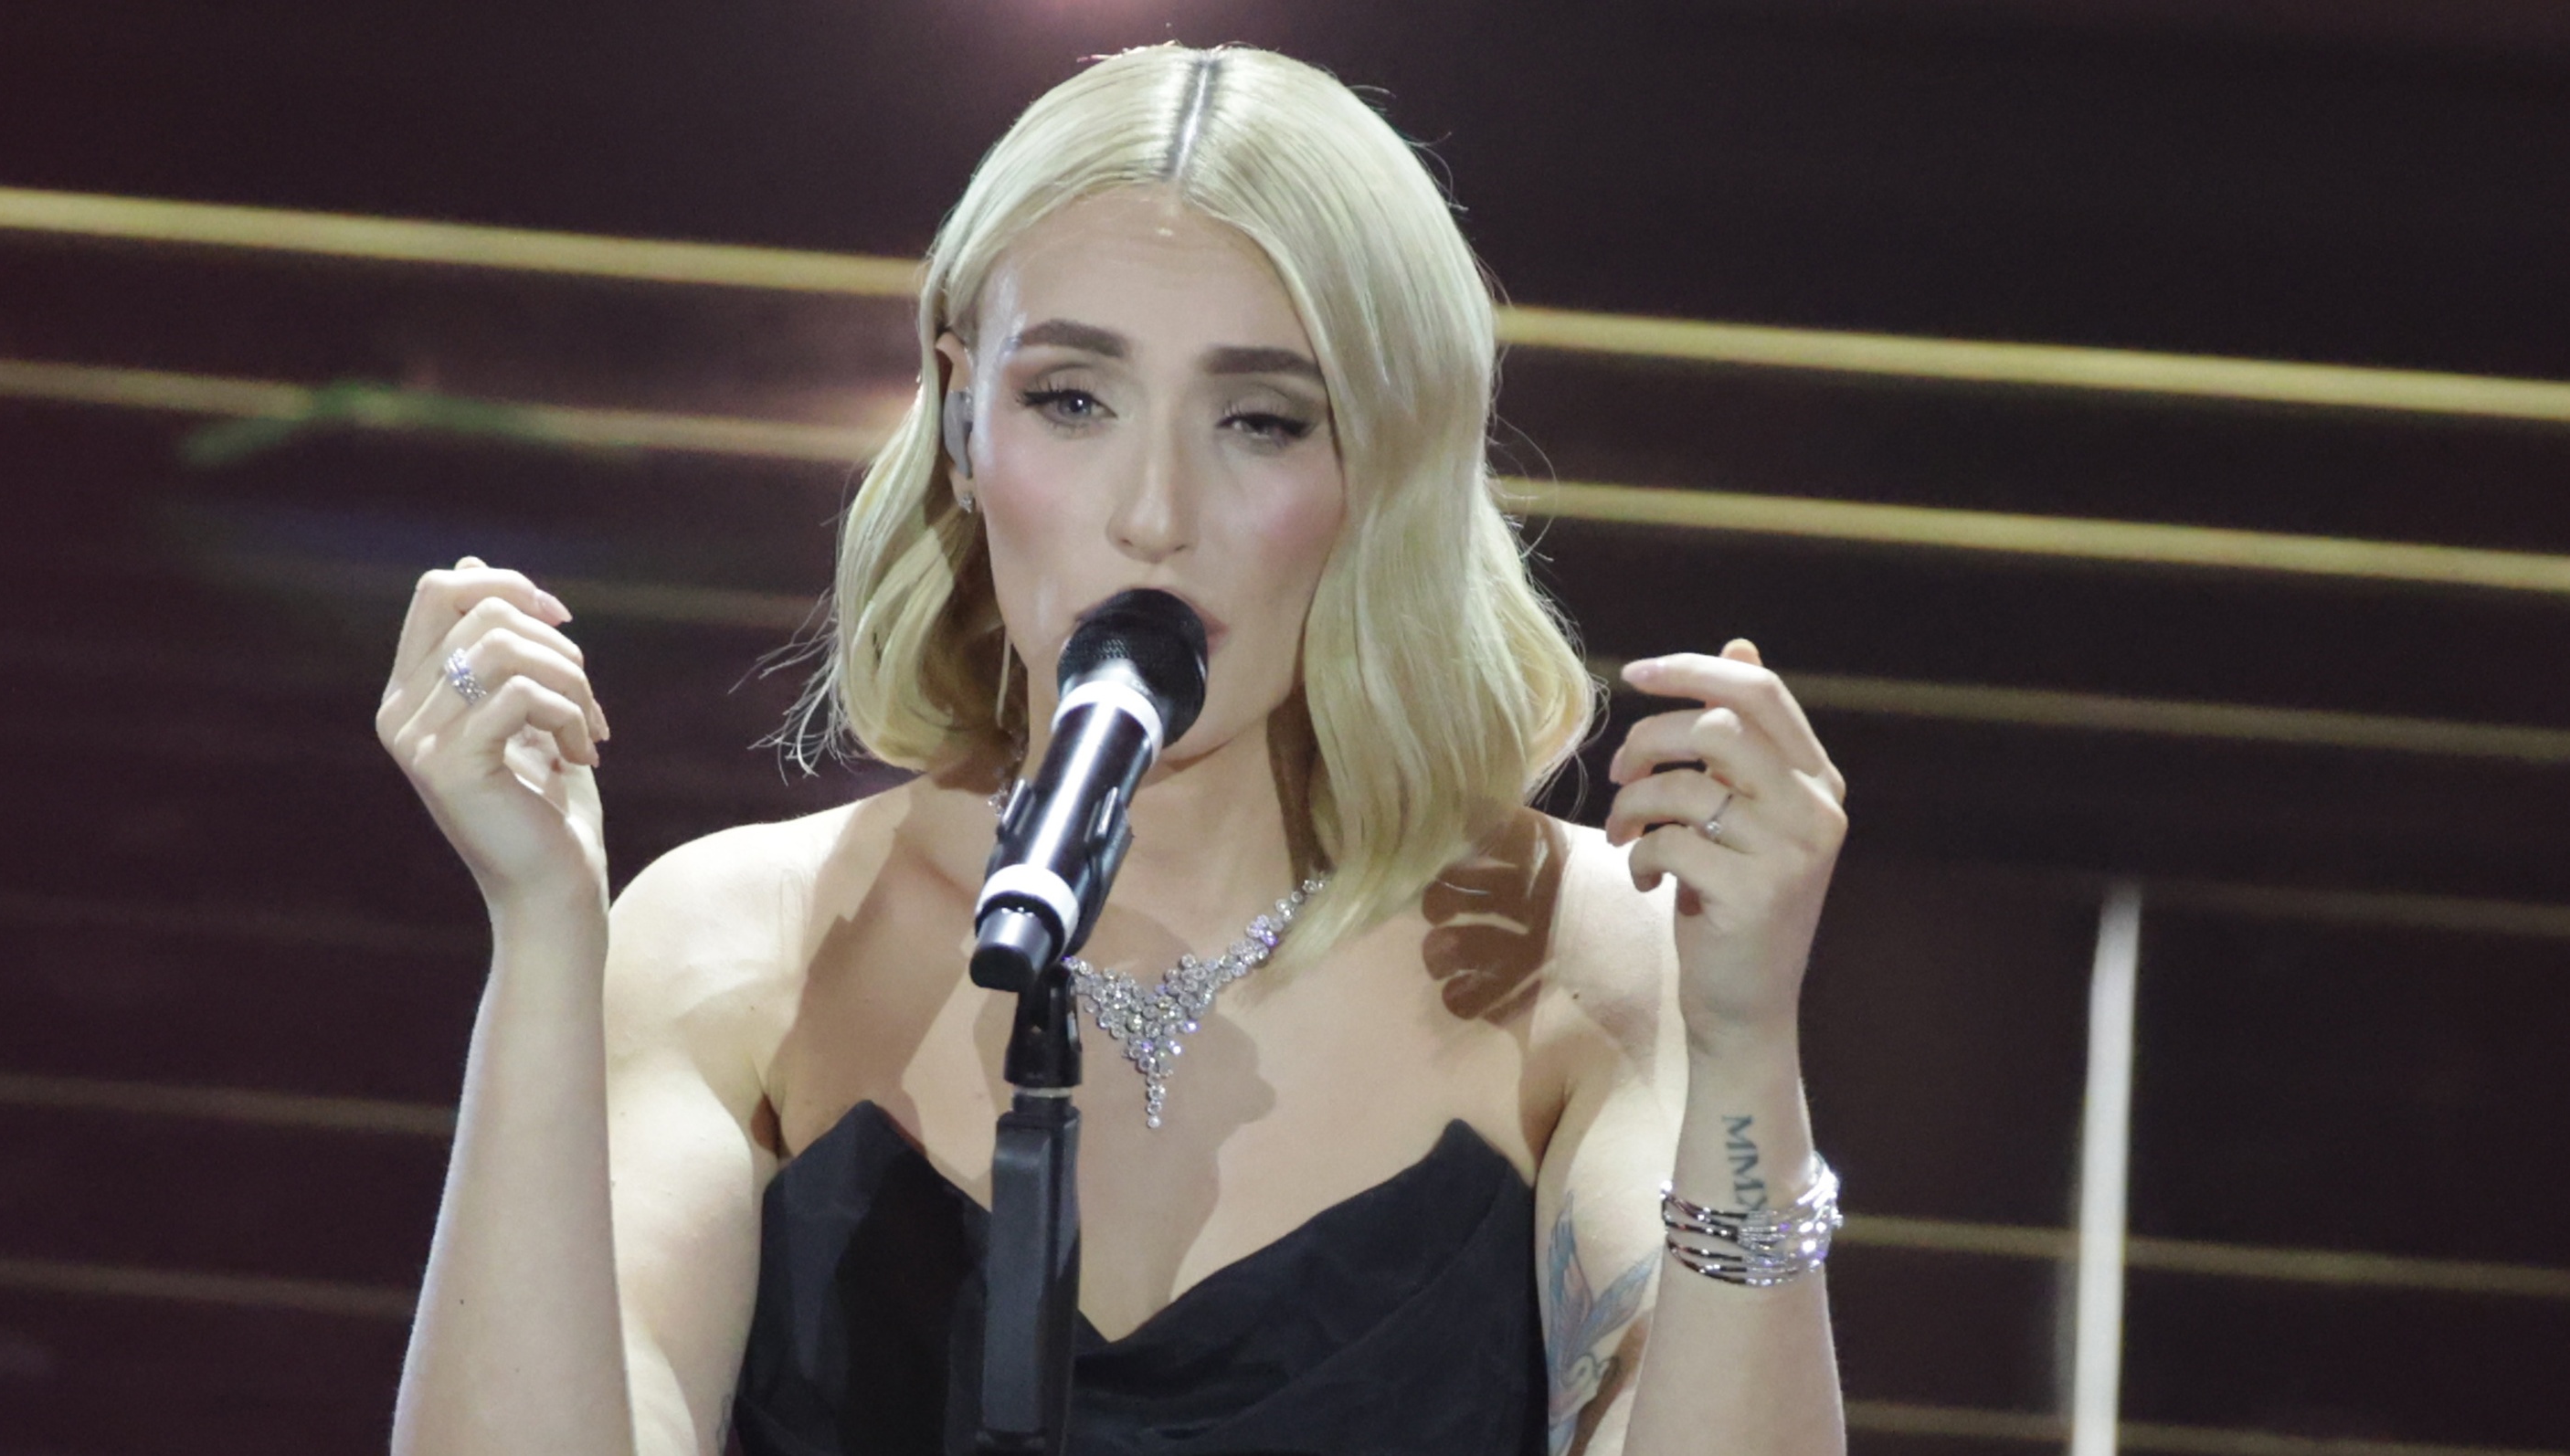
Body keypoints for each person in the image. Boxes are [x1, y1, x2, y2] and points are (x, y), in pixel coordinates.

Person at [379, 42, 1849, 1456]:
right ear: (964, 416)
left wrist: (1744, 1057)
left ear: (1385, 469)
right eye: (1071, 399)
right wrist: (539, 935)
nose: (1153, 510)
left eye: (1263, 420)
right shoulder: (739, 946)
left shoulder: (1576, 953)